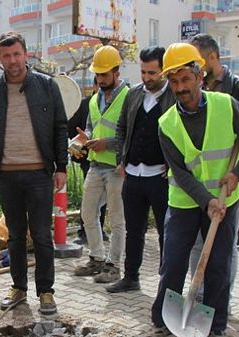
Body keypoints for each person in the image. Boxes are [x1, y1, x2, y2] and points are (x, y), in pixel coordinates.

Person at [149, 43, 239, 337]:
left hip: (226, 199)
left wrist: (237, 173)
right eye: (174, 82)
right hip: (185, 201)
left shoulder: (226, 105)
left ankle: (216, 328)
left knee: (218, 265)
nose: (180, 88)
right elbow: (181, 173)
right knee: (172, 263)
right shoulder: (166, 124)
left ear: (199, 76)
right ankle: (162, 322)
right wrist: (206, 200)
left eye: (186, 79)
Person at [0, 31, 67, 316]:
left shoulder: (47, 86)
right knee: (14, 236)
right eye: (6, 56)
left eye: (16, 54)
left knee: (41, 235)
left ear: (26, 54)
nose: (12, 61)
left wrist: (61, 166)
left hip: (39, 174)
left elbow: (60, 127)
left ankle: (46, 291)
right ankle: (18, 288)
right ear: (0, 59)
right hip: (6, 174)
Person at [187, 34, 239, 304]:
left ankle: (221, 299)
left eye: (197, 60)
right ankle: (198, 294)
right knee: (198, 241)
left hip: (232, 181)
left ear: (213, 58)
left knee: (225, 244)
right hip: (203, 181)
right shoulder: (197, 87)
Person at [107, 46, 175, 293]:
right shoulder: (134, 94)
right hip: (133, 174)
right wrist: (120, 159)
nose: (147, 78)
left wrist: (173, 165)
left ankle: (166, 283)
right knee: (134, 230)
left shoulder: (174, 96)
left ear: (164, 71)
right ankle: (131, 277)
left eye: (152, 73)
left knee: (166, 233)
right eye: (143, 72)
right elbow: (121, 128)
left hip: (161, 177)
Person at [71, 45, 128, 284]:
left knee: (116, 219)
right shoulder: (94, 100)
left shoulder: (129, 97)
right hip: (96, 166)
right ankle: (96, 258)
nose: (100, 79)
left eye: (104, 74)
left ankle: (113, 266)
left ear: (116, 72)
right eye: (98, 74)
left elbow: (132, 135)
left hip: (117, 167)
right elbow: (92, 127)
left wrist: (108, 143)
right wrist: (83, 140)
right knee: (87, 213)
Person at [67, 90, 106, 245]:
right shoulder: (86, 103)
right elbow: (72, 128)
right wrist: (78, 145)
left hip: (109, 159)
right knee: (90, 197)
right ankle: (84, 232)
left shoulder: (117, 103)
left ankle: (99, 230)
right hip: (87, 158)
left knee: (104, 199)